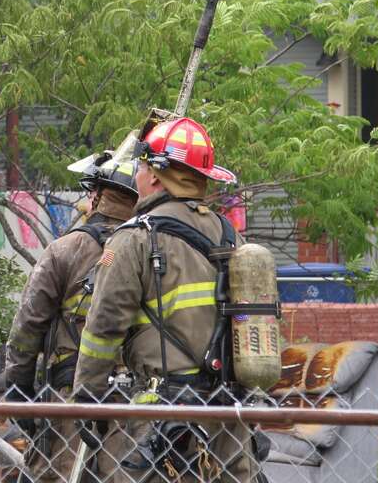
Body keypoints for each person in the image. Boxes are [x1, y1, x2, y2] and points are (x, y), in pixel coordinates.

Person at [73, 116, 257, 482]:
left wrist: (85, 400)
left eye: (141, 168)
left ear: (155, 176)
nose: (138, 176)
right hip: (228, 417)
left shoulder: (134, 239)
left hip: (163, 422)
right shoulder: (229, 236)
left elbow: (103, 328)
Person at [4, 154, 139, 481]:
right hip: (137, 396)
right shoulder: (150, 248)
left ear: (98, 195)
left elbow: (28, 325)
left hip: (72, 393)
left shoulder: (67, 249)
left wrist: (18, 386)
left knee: (61, 474)